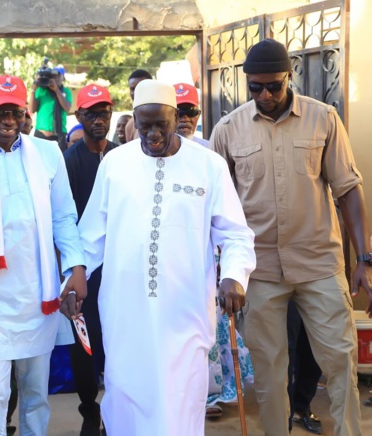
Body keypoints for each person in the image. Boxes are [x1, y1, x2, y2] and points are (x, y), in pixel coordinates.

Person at [71, 79, 256, 435]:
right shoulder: (115, 163)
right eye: (145, 126)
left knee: (182, 400)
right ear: (133, 122)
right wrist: (74, 278)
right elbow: (90, 235)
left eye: (162, 124)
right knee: (126, 394)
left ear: (177, 118)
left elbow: (235, 234)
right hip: (125, 311)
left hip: (184, 312)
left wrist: (234, 275)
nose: (153, 134)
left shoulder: (208, 166)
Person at [210, 38, 371, 436]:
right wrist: (221, 270)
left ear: (289, 77)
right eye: (255, 88)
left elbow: (348, 189)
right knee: (268, 370)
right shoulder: (227, 130)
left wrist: (364, 260)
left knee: (340, 360)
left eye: (273, 86)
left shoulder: (324, 119)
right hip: (259, 269)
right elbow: (214, 209)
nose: (265, 95)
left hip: (318, 263)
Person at [0, 75, 87, 436]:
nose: (9, 120)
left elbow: (64, 217)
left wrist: (76, 267)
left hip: (37, 296)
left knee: (36, 394)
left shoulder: (48, 153)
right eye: (0, 112)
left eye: (16, 112)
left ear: (26, 112)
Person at [63, 84, 117, 435]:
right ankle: (88, 411)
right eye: (91, 114)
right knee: (84, 344)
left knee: (117, 341)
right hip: (84, 269)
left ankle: (115, 411)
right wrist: (71, 269)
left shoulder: (123, 156)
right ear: (79, 117)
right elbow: (64, 219)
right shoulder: (69, 161)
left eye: (104, 113)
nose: (99, 120)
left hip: (118, 267)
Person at [287, 300, 323, 434]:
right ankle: (283, 417)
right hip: (280, 282)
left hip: (318, 281)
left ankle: (301, 404)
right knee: (285, 350)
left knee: (315, 344)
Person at [29, 65, 72, 151]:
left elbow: (67, 108)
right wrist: (33, 90)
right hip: (41, 134)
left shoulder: (66, 91)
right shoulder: (41, 90)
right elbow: (32, 109)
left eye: (58, 76)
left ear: (63, 78)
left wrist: (56, 90)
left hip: (59, 134)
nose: (55, 78)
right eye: (53, 76)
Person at [123, 69, 153, 143]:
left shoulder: (166, 117)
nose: (136, 92)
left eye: (140, 88)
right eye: (132, 89)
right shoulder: (130, 125)